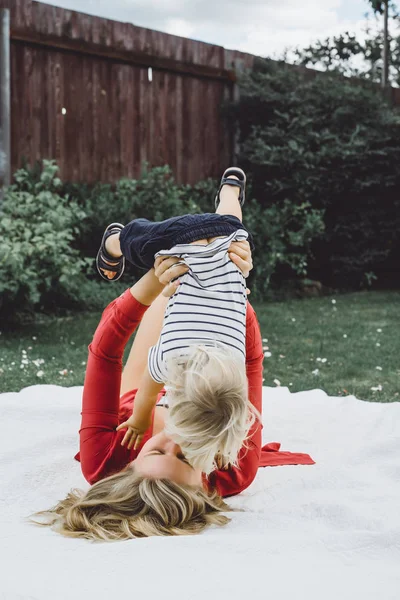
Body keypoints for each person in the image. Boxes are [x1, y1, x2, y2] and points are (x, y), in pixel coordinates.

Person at [33, 242, 264, 541]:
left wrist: (156, 278)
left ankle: (115, 244)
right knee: (210, 260)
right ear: (204, 485)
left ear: (129, 465)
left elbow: (104, 353)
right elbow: (251, 363)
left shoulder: (103, 460)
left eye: (156, 451)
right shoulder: (236, 468)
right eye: (186, 459)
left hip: (141, 392)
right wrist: (230, 291)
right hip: (213, 366)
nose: (173, 439)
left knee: (180, 269)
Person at [95, 168, 256, 474]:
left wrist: (223, 444)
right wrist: (141, 420)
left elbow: (231, 412)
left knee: (231, 219)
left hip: (226, 246)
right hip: (183, 244)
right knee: (138, 242)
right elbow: (148, 390)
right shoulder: (171, 359)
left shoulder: (234, 370)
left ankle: (230, 190)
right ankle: (113, 243)